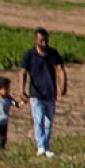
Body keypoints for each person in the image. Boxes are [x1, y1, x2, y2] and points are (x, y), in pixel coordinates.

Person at [19, 27, 67, 158]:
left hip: (50, 92)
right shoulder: (29, 55)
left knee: (49, 122)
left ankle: (46, 145)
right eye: (41, 41)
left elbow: (60, 69)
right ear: (36, 40)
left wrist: (63, 85)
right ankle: (41, 146)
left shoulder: (53, 53)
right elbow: (23, 72)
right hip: (36, 93)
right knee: (38, 120)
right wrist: (22, 89)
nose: (44, 44)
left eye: (46, 40)